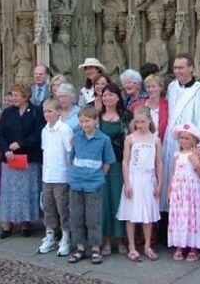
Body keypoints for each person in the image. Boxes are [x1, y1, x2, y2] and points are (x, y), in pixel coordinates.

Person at [162, 53, 200, 213]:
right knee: (170, 180)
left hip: (191, 144)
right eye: (175, 68)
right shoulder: (171, 87)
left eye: (181, 67)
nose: (177, 71)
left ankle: (192, 221)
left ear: (191, 68)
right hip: (172, 142)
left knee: (190, 183)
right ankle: (169, 220)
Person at [68, 106, 116, 264]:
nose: (84, 124)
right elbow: (72, 157)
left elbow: (108, 162)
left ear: (96, 121)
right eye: (81, 121)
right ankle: (80, 247)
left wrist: (98, 176)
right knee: (76, 216)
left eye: (87, 121)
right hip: (76, 183)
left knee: (93, 218)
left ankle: (95, 247)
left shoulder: (104, 140)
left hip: (94, 184)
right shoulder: (77, 137)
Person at [0, 83, 45, 238]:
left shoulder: (36, 112)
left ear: (25, 96)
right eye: (12, 95)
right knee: (9, 192)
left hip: (29, 158)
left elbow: (39, 133)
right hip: (9, 159)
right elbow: (1, 134)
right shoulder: (7, 113)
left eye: (16, 95)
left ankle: (26, 222)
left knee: (26, 192)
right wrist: (6, 150)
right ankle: (7, 224)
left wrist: (21, 144)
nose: (13, 98)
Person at [116, 106, 162, 262]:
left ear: (149, 120)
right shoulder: (130, 138)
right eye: (137, 122)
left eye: (142, 121)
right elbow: (125, 161)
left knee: (147, 214)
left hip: (148, 180)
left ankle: (148, 245)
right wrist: (127, 183)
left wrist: (159, 183)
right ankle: (132, 246)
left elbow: (159, 163)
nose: (139, 125)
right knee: (131, 214)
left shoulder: (155, 140)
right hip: (134, 179)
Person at [99, 83, 133, 257]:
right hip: (102, 165)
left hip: (120, 164)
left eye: (111, 94)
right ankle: (105, 240)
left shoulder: (126, 117)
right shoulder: (97, 117)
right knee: (104, 203)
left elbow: (133, 140)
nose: (107, 98)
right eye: (104, 95)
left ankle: (121, 239)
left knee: (119, 202)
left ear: (118, 97)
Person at [168, 123, 200, 262]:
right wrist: (170, 191)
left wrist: (196, 163)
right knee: (179, 217)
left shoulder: (197, 154)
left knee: (193, 217)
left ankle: (193, 247)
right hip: (179, 191)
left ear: (194, 140)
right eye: (181, 138)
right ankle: (180, 245)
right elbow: (173, 174)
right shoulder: (177, 155)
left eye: (187, 138)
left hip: (192, 191)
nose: (183, 141)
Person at [38, 99, 73, 256]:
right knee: (49, 208)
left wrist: (69, 175)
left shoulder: (65, 129)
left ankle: (66, 237)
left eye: (50, 111)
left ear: (59, 111)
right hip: (48, 176)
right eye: (45, 111)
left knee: (63, 208)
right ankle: (50, 235)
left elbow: (69, 153)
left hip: (61, 176)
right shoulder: (44, 130)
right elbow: (45, 152)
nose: (47, 114)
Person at [130, 74, 168, 141]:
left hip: (161, 144)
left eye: (153, 86)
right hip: (139, 143)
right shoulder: (136, 105)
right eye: (148, 87)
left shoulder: (167, 106)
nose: (150, 89)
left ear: (161, 88)